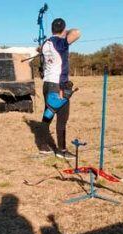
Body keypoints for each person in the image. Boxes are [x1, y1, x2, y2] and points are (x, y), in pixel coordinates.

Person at [40, 18, 81, 159]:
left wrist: (60, 33)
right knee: (62, 119)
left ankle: (43, 146)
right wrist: (66, 32)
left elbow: (39, 50)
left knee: (48, 114)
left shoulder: (46, 43)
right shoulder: (61, 43)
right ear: (63, 30)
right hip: (58, 86)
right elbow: (77, 33)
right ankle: (61, 151)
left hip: (47, 84)